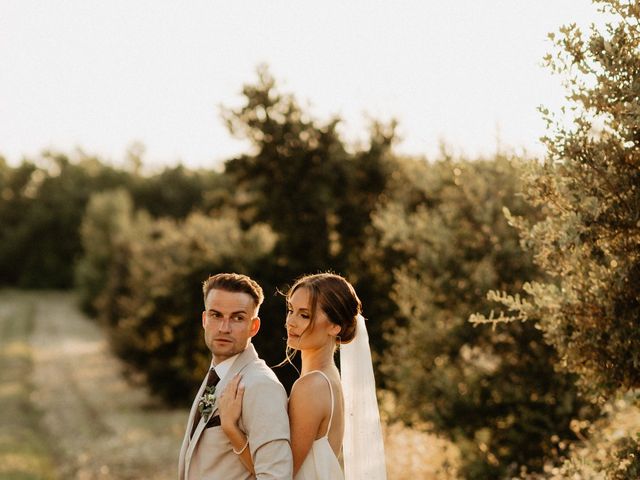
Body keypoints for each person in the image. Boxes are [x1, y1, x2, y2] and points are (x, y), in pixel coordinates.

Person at [219, 272, 387, 480]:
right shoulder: (328, 377)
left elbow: (281, 473)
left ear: (335, 326)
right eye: (291, 310)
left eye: (304, 315)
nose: (291, 321)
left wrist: (230, 428)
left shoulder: (312, 385)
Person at [178, 273, 293, 480]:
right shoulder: (218, 374)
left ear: (254, 326)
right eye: (216, 315)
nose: (224, 328)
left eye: (238, 318)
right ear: (205, 319)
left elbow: (276, 476)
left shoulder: (261, 385)